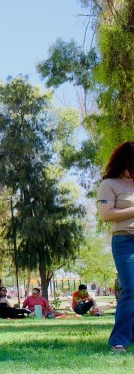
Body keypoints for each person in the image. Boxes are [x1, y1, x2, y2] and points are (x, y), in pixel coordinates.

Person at [97, 141, 134, 352]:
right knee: (131, 289)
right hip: (126, 241)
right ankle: (119, 340)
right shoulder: (110, 184)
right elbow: (106, 214)